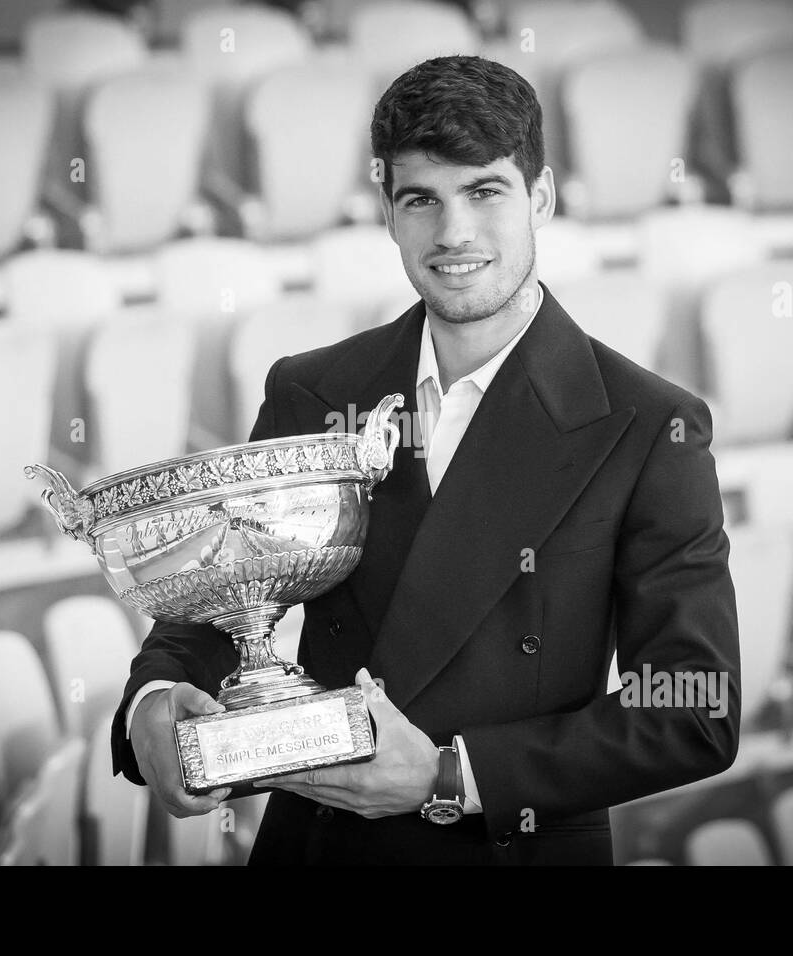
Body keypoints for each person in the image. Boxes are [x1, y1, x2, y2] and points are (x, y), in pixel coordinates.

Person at [111, 55, 740, 865]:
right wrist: (156, 706)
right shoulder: (312, 390)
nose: (453, 234)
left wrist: (449, 776)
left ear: (540, 197)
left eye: (484, 192)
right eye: (422, 200)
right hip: (320, 851)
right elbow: (224, 601)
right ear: (387, 211)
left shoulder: (651, 427)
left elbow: (692, 711)